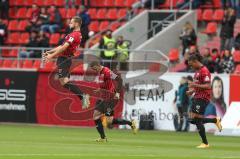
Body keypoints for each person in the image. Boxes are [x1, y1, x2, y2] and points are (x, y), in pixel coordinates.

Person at [43, 16, 89, 108]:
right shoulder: (75, 34)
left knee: (64, 81)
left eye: (71, 22)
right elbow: (62, 46)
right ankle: (82, 96)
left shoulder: (74, 35)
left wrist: (51, 56)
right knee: (64, 81)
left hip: (64, 59)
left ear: (76, 24)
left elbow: (64, 47)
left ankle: (82, 96)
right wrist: (50, 52)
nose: (69, 24)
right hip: (66, 59)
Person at [89, 61, 137, 142]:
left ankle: (130, 123)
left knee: (108, 122)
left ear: (97, 65)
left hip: (110, 99)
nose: (94, 70)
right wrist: (100, 89)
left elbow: (119, 80)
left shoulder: (107, 72)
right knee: (97, 116)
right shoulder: (100, 72)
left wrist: (117, 92)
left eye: (94, 69)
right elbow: (106, 83)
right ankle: (103, 138)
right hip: (103, 98)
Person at [187, 54, 222, 148]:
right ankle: (215, 120)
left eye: (191, 64)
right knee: (192, 120)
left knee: (197, 120)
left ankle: (205, 143)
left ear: (195, 61)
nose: (191, 66)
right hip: (197, 96)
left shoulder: (204, 71)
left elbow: (208, 86)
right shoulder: (197, 72)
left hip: (203, 97)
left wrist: (195, 86)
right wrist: (192, 91)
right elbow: (198, 86)